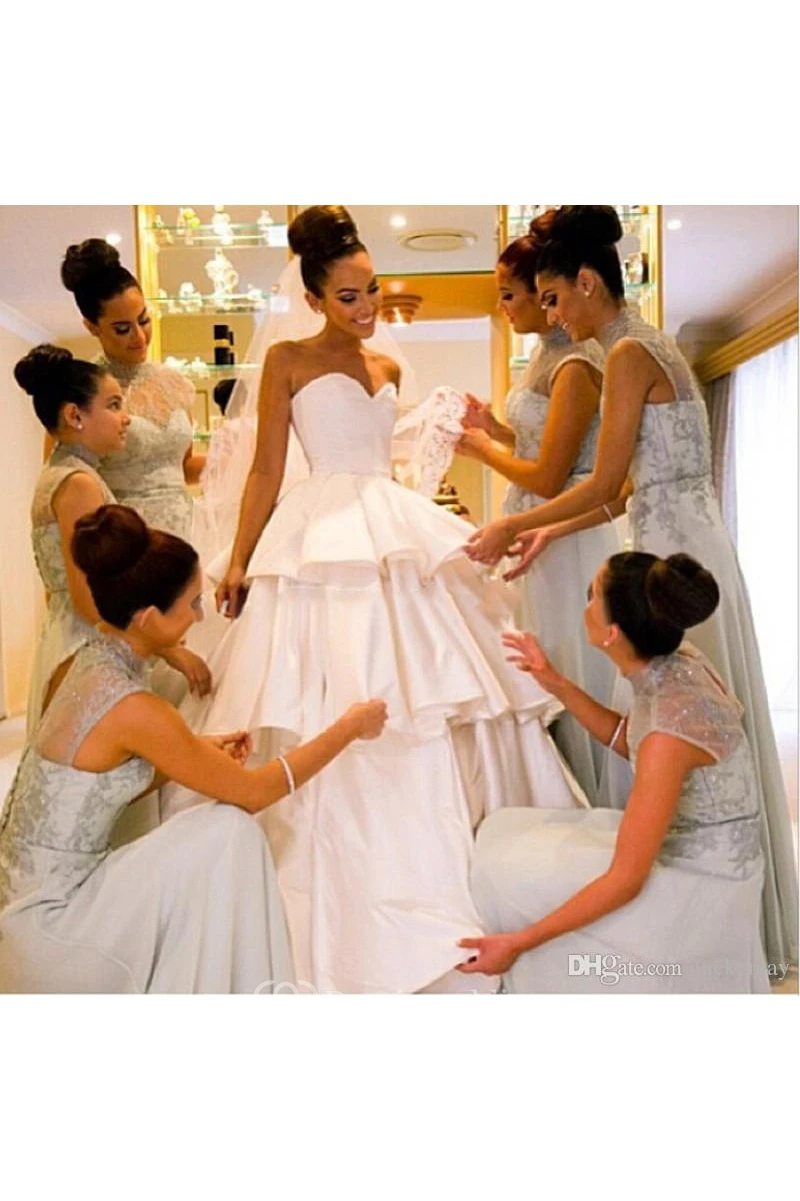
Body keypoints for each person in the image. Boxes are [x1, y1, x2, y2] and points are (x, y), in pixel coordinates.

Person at [164, 206, 586, 996]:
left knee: (430, 683)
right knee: (306, 688)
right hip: (315, 531)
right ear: (315, 298)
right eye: (349, 296)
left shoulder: (388, 366)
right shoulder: (286, 360)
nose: (367, 309)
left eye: (373, 291)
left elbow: (399, 458)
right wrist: (243, 557)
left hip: (385, 520)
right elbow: (264, 471)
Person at [466, 206, 798, 969]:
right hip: (687, 536)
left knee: (677, 713)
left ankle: (677, 887)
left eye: (554, 298)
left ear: (589, 282)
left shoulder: (622, 353)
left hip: (673, 548)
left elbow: (602, 479)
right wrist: (547, 530)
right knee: (684, 718)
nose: (553, 315)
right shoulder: (652, 343)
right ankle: (697, 871)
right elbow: (621, 488)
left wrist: (512, 524)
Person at [0, 505, 387, 994]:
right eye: (192, 605)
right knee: (230, 831)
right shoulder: (136, 707)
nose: (199, 617)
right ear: (148, 618)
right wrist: (349, 727)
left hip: (19, 909)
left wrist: (195, 753)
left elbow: (86, 783)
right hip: (58, 931)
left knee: (214, 833)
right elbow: (256, 793)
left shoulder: (77, 665)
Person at [459, 553, 771, 994]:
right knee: (505, 834)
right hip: (688, 842)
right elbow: (632, 740)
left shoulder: (668, 729)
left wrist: (519, 943)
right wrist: (554, 681)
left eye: (592, 596)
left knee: (508, 875)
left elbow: (627, 879)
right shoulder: (678, 661)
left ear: (612, 633)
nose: (583, 604)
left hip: (701, 880)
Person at [455, 213, 623, 804]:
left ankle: (589, 799)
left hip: (565, 533)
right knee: (540, 657)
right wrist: (496, 429)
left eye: (510, 294)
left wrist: (482, 450)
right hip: (539, 531)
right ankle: (556, 794)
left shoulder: (575, 363)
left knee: (565, 663)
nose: (503, 307)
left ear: (543, 294)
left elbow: (552, 477)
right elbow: (542, 444)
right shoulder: (544, 359)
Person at [16, 346, 207, 739]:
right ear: (75, 415)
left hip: (75, 631)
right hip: (86, 638)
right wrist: (169, 650)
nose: (127, 418)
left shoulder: (69, 473)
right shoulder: (78, 483)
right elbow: (87, 596)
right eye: (115, 405)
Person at [61, 239, 205, 541]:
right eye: (122, 329)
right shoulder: (80, 390)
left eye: (144, 320)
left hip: (186, 532)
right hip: (124, 541)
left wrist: (234, 456)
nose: (139, 337)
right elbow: (65, 482)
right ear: (91, 326)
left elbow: (182, 467)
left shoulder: (175, 384)